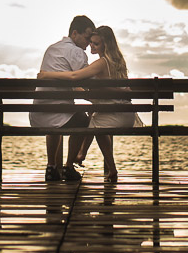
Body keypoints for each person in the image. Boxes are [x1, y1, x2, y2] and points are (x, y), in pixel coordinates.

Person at [38, 25, 136, 183]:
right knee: (92, 118)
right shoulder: (119, 61)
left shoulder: (101, 63)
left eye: (96, 44)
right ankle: (100, 166)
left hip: (115, 113)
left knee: (90, 123)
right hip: (126, 112)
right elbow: (105, 89)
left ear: (105, 45)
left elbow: (74, 76)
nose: (91, 45)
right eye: (91, 42)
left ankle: (79, 159)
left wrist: (47, 74)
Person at [31, 15, 95, 182]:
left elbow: (71, 82)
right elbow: (89, 80)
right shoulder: (76, 52)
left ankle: (51, 167)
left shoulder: (52, 49)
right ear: (75, 33)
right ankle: (68, 167)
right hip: (58, 111)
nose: (89, 42)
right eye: (87, 37)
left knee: (57, 119)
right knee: (85, 122)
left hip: (39, 112)